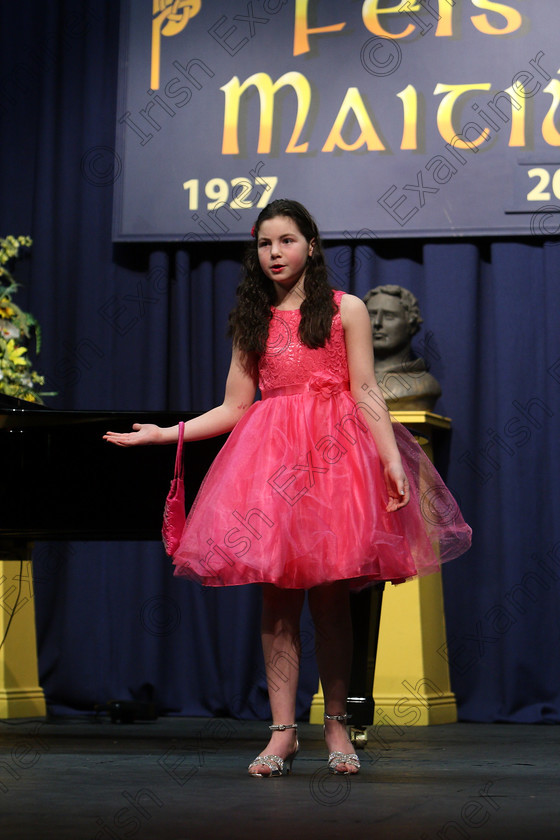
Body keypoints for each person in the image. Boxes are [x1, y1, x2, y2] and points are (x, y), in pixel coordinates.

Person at [104, 199, 471, 778]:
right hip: (270, 468)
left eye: (287, 241)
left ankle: (336, 727)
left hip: (333, 466)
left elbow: (366, 391)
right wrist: (164, 434)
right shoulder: (253, 320)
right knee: (277, 603)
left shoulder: (344, 309)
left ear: (311, 246)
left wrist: (391, 462)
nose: (274, 253)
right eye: (265, 243)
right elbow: (233, 406)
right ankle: (281, 733)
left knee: (331, 602)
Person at [364, 285, 442, 411]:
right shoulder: (345, 380)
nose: (377, 323)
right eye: (371, 315)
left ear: (411, 324)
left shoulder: (423, 384)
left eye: (389, 316)